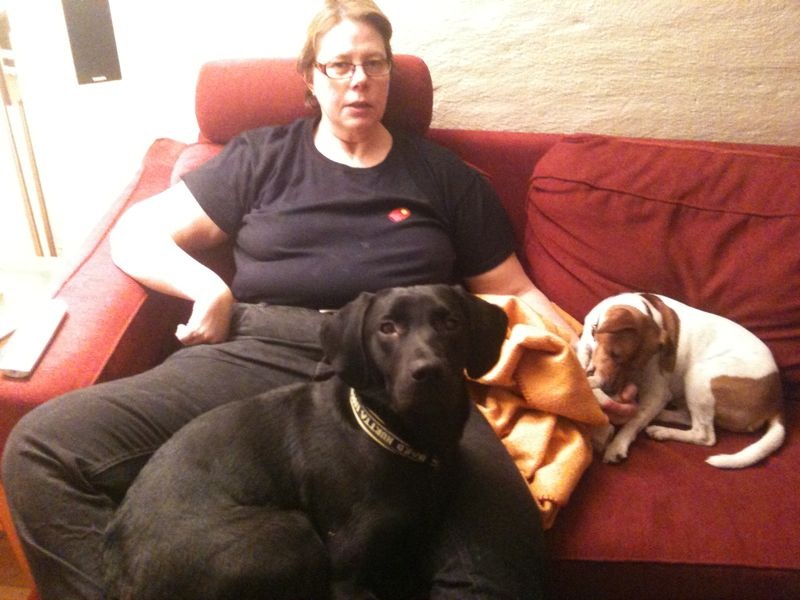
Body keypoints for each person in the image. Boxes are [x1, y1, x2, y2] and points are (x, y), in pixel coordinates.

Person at [1, 1, 637, 598]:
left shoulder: (444, 177)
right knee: (41, 448)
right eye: (340, 65)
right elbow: (136, 233)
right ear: (311, 77)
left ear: (390, 76)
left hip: (401, 370)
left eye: (374, 64)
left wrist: (583, 375)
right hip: (258, 349)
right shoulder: (260, 158)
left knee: (501, 548)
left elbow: (514, 291)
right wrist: (207, 287)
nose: (359, 80)